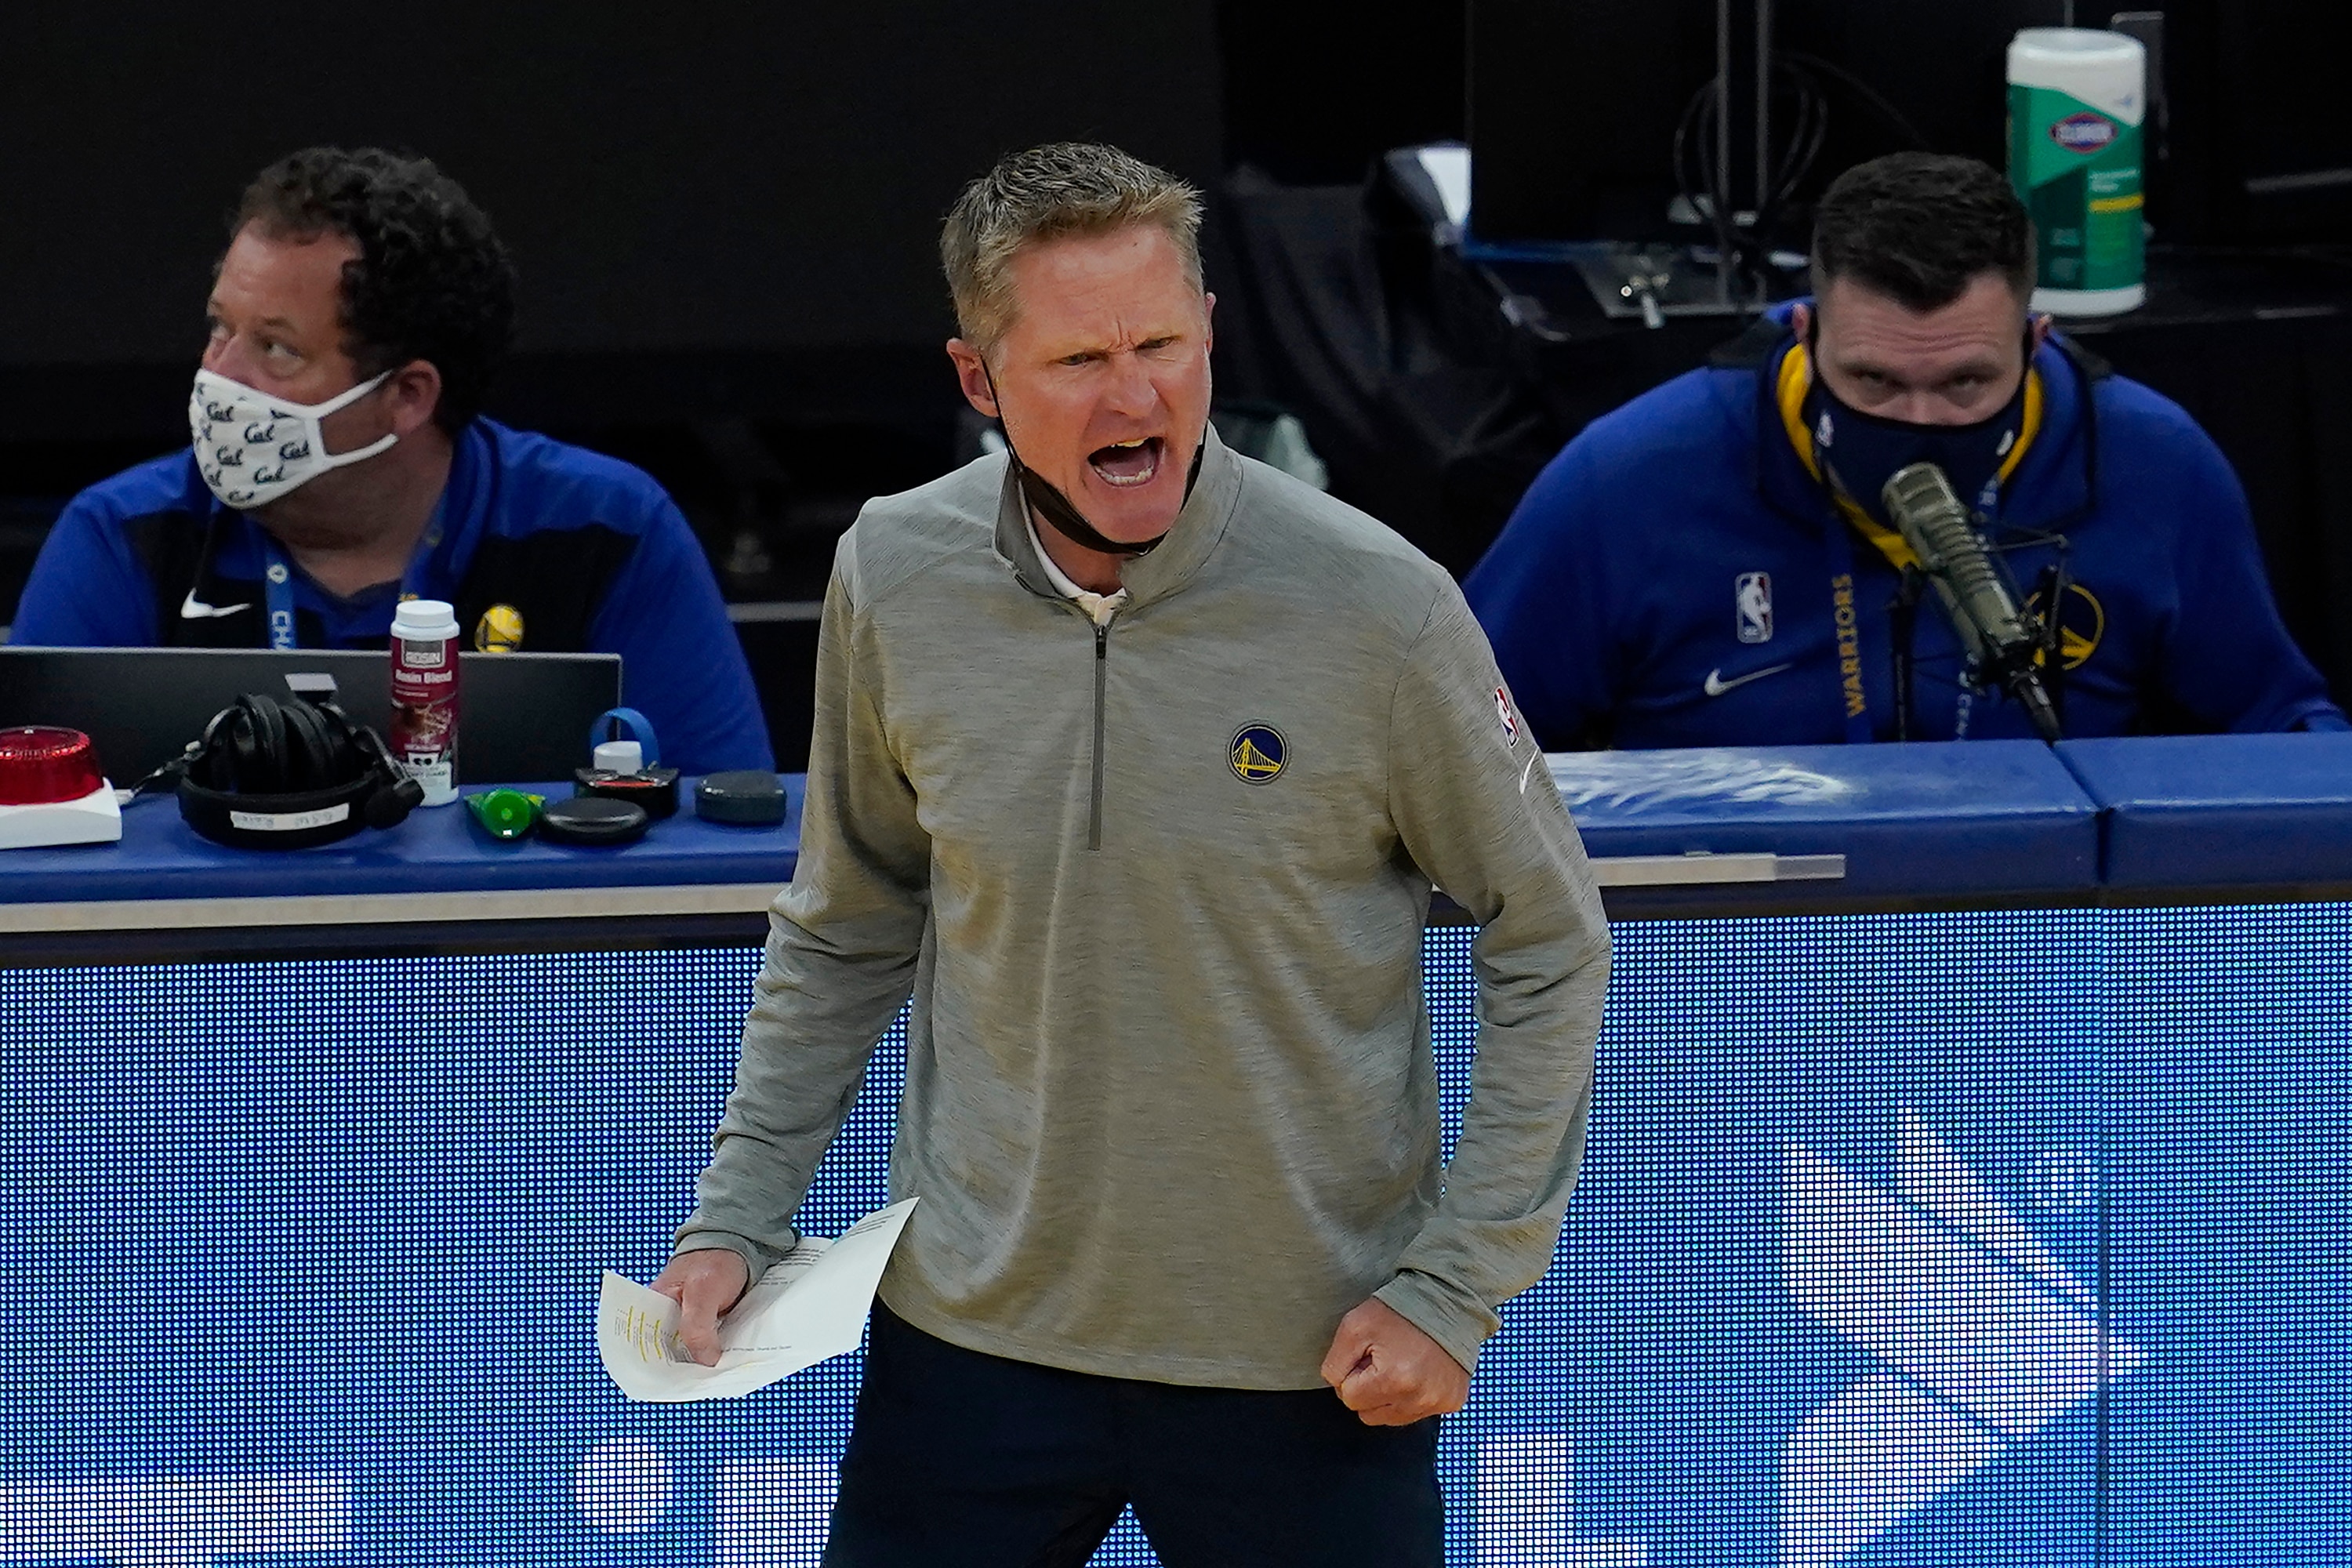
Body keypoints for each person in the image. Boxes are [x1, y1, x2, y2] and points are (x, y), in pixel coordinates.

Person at [654, 143, 1609, 1566]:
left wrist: (1455, 1287)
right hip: (969, 1342)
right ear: (980, 382)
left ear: (1212, 331)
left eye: (1164, 343)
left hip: (1305, 1361)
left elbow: (1550, 935)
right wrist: (738, 1213)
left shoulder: (1378, 608)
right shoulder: (892, 574)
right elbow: (849, 920)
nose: (1136, 396)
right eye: (1080, 358)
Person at [1467, 152, 2349, 749]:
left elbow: (2283, 729)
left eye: (1967, 383)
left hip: (2050, 949)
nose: (1920, 418)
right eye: (1875, 383)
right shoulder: (1628, 479)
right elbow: (1455, 747)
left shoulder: (2156, 465)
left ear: (2036, 340)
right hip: (1723, 954)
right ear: (1806, 335)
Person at [9, 146, 771, 775]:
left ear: (407, 394)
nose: (220, 377)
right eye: (220, 329)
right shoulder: (122, 535)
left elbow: (731, 843)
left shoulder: (610, 532)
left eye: (275, 348)